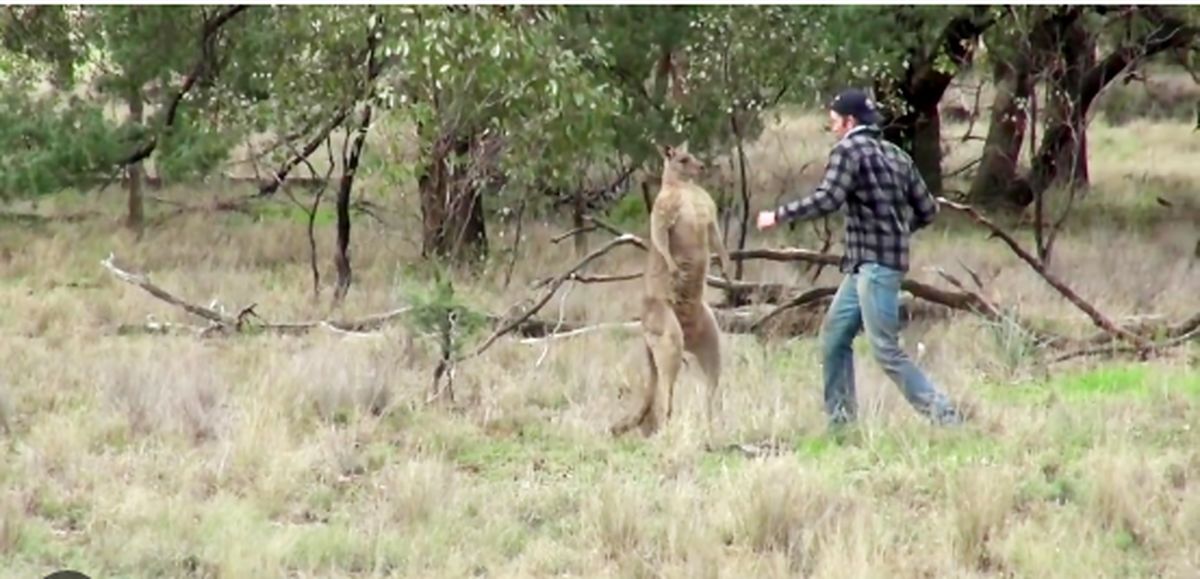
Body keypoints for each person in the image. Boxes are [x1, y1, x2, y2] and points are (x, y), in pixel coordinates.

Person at [756, 88, 963, 428]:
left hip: (876, 268)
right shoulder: (897, 155)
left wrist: (779, 215)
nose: (833, 128)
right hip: (865, 267)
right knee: (835, 337)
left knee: (885, 350)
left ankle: (946, 417)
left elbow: (828, 198)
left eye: (835, 122)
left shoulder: (848, 151)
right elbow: (928, 209)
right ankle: (841, 423)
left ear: (850, 122)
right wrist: (897, 231)